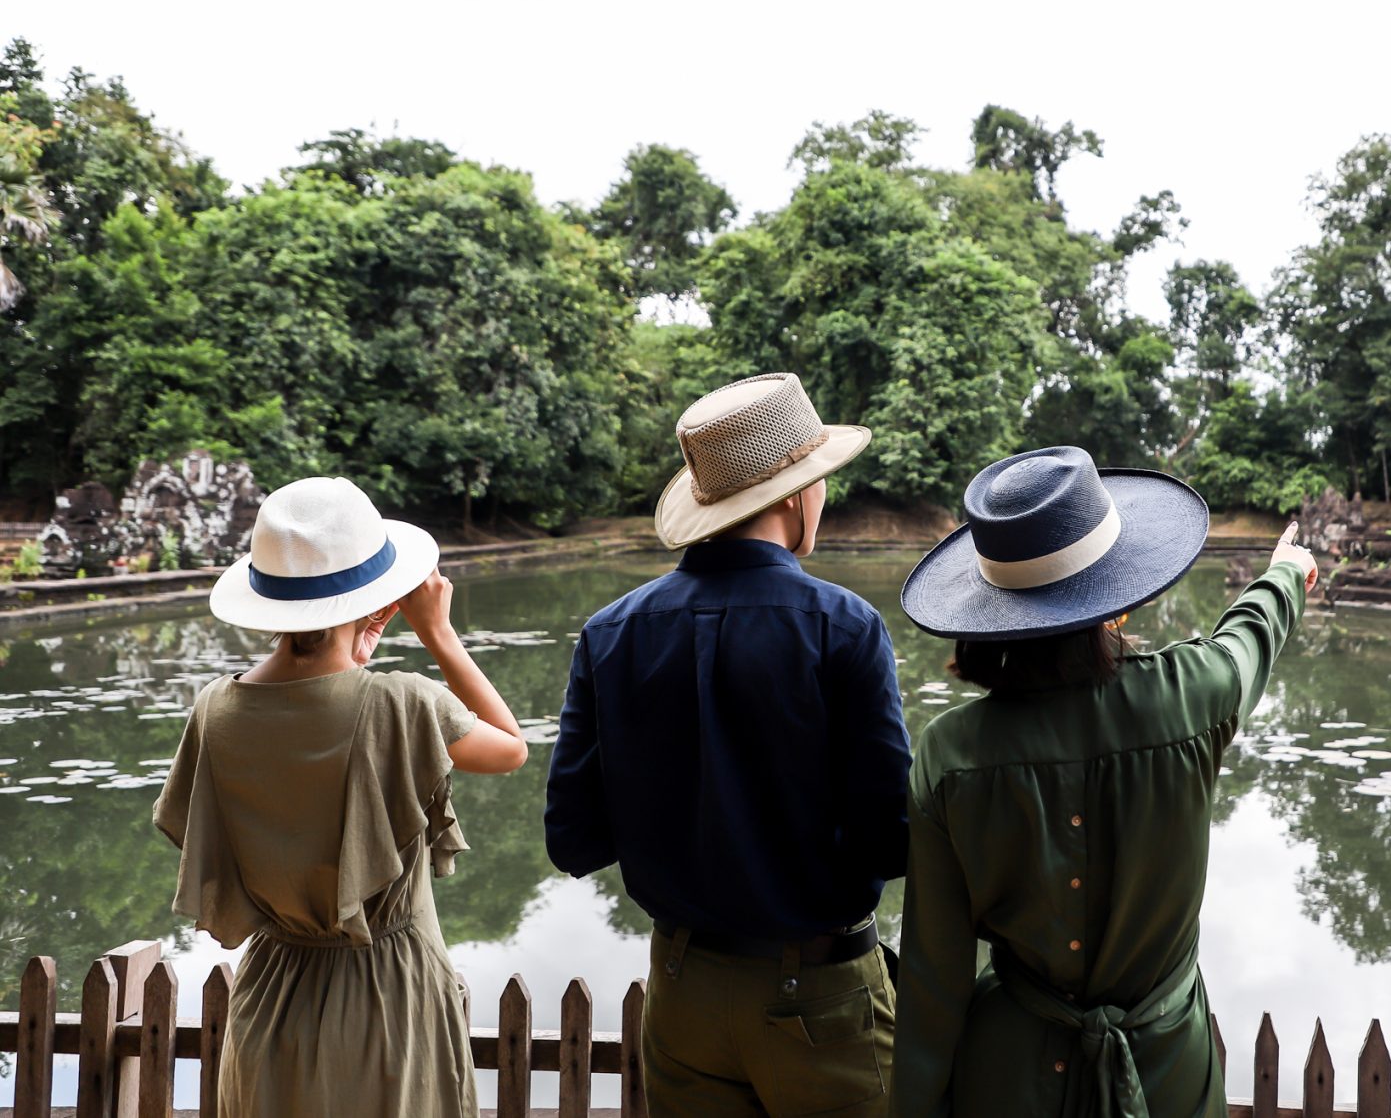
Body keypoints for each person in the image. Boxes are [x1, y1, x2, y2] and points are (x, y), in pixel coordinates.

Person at [890, 445, 1318, 1118]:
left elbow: (931, 984)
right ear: (1115, 599)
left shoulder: (948, 756)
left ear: (989, 610)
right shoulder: (1192, 694)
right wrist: (1286, 574)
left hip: (1008, 1079)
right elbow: (1251, 635)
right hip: (1168, 1070)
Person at [545, 372, 911, 1116]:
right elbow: (891, 842)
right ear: (794, 496)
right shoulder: (843, 626)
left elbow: (572, 840)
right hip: (821, 993)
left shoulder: (611, 632)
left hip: (682, 991)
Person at [154, 475, 529, 1118]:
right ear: (378, 604)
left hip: (269, 1000)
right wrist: (439, 633)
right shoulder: (401, 702)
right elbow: (510, 748)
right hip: (390, 1000)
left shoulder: (212, 709)